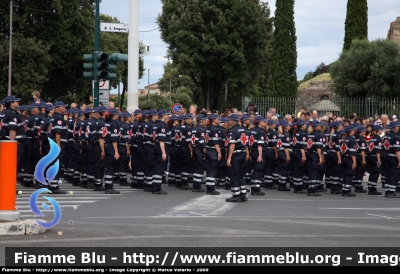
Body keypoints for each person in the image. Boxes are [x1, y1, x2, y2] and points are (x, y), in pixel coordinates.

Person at [226, 114, 249, 203]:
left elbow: (232, 145)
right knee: (241, 174)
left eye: (229, 120)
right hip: (243, 154)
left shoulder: (233, 131)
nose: (228, 121)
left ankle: (236, 195)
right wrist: (247, 153)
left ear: (232, 120)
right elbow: (246, 144)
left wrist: (229, 158)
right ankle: (243, 194)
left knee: (234, 175)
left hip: (236, 155)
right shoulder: (244, 130)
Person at [48, 101, 69, 194]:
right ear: (58, 108)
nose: (65, 109)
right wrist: (58, 145)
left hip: (52, 144)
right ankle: (54, 187)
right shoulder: (59, 118)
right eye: (63, 107)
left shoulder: (53, 118)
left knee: (53, 164)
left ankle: (52, 185)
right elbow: (58, 133)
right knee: (57, 165)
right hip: (57, 144)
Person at [102, 108, 120, 194]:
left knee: (108, 166)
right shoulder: (113, 124)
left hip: (106, 145)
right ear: (114, 115)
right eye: (117, 114)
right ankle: (109, 187)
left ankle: (108, 185)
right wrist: (116, 151)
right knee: (110, 167)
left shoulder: (107, 124)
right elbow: (114, 139)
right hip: (110, 146)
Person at [152, 109, 170, 194]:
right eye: (166, 114)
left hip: (155, 147)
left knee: (156, 167)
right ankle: (157, 188)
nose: (168, 116)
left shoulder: (155, 125)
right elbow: (161, 140)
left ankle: (155, 186)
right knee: (159, 168)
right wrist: (163, 152)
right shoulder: (162, 126)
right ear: (163, 116)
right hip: (160, 148)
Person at [249, 116, 266, 195]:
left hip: (252, 152)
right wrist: (260, 155)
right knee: (258, 171)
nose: (264, 122)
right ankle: (256, 189)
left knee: (254, 170)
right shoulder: (261, 132)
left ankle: (253, 187)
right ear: (259, 122)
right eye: (263, 121)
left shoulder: (252, 131)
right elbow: (260, 145)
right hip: (257, 152)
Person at [306, 120, 325, 196]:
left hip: (309, 154)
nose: (321, 126)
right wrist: (320, 157)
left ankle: (310, 188)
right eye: (319, 125)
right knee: (315, 171)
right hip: (314, 155)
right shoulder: (318, 135)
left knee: (310, 171)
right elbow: (318, 148)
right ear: (316, 126)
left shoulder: (309, 134)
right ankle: (314, 190)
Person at [205, 113, 221, 195]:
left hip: (208, 150)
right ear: (214, 120)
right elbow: (216, 143)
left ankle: (208, 187)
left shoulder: (208, 128)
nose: (218, 119)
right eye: (217, 118)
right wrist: (219, 152)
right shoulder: (214, 129)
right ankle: (211, 189)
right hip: (213, 151)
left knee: (209, 170)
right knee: (212, 170)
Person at [191, 114, 207, 192]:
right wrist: (205, 153)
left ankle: (195, 185)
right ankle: (197, 186)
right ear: (202, 121)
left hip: (194, 149)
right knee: (199, 168)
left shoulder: (193, 128)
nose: (206, 122)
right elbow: (202, 143)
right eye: (205, 120)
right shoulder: (201, 129)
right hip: (199, 150)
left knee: (196, 168)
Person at [292, 119, 308, 193]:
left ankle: (296, 185)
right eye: (304, 124)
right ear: (302, 125)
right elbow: (302, 146)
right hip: (299, 153)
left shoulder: (296, 133)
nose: (306, 126)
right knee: (299, 170)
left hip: (294, 152)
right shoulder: (302, 133)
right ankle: (298, 187)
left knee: (295, 169)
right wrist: (303, 156)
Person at [367, 125, 383, 195]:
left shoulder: (372, 138)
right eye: (380, 129)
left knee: (372, 172)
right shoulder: (378, 139)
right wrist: (379, 160)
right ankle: (373, 188)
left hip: (370, 157)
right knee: (376, 173)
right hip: (375, 157)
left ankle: (370, 187)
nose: (381, 131)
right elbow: (378, 151)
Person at [276, 120, 292, 191]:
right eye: (288, 125)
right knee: (284, 170)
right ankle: (283, 185)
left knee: (281, 169)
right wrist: (288, 156)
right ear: (286, 127)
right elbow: (286, 147)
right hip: (284, 153)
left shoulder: (280, 134)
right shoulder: (286, 134)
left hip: (280, 152)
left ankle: (280, 184)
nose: (290, 126)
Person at [129, 109, 142, 188]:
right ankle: (138, 181)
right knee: (138, 164)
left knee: (134, 164)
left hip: (132, 146)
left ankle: (134, 180)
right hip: (136, 146)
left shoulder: (132, 124)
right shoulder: (137, 124)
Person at [353, 126, 368, 193]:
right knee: (360, 172)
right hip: (360, 156)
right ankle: (358, 187)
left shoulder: (355, 138)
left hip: (355, 156)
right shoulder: (362, 139)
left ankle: (356, 185)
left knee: (356, 172)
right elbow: (362, 150)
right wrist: (364, 159)